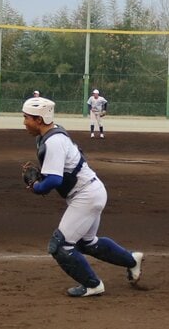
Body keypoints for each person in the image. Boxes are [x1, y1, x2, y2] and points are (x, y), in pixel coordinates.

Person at [21, 96, 143, 298]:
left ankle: (93, 285)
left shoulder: (53, 141)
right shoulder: (51, 135)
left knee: (60, 246)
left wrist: (36, 187)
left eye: (26, 117)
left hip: (86, 196)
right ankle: (132, 260)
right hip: (91, 191)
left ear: (38, 120)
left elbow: (54, 181)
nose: (24, 122)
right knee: (87, 243)